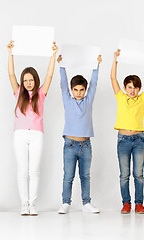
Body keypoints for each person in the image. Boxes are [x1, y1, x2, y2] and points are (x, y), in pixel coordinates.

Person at [7, 41, 58, 216]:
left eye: (31, 80)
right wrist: (10, 53)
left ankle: (32, 204)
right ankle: (24, 204)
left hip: (37, 134)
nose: (28, 83)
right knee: (22, 170)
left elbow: (50, 75)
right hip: (20, 134)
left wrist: (53, 56)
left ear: (35, 81)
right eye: (25, 80)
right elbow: (11, 73)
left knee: (34, 170)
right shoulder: (18, 92)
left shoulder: (41, 93)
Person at [111, 49, 144, 214]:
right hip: (123, 140)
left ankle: (139, 203)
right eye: (129, 87)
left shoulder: (141, 99)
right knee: (124, 174)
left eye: (135, 87)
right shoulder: (121, 97)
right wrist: (115, 60)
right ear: (125, 88)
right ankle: (126, 203)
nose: (132, 90)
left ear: (139, 89)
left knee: (138, 173)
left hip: (138, 140)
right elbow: (112, 78)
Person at [57, 54, 102, 214]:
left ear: (85, 90)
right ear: (71, 90)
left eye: (81, 90)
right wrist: (61, 65)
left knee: (85, 176)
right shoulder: (67, 100)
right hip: (70, 144)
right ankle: (65, 202)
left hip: (85, 145)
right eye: (75, 90)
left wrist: (96, 65)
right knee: (68, 176)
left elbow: (94, 83)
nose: (78, 92)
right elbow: (63, 83)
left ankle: (86, 203)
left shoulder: (88, 101)